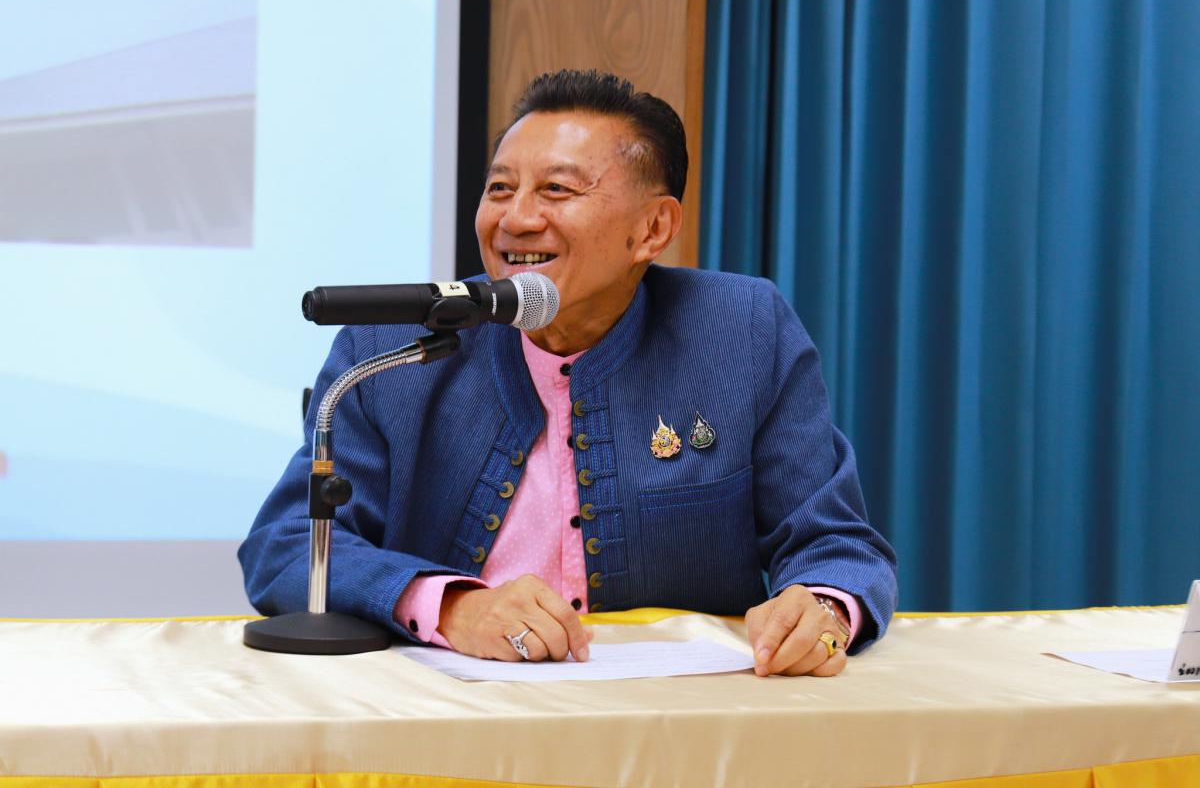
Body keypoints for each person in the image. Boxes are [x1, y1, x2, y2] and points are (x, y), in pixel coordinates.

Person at [240, 69, 897, 677]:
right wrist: (452, 606)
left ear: (653, 228)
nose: (516, 218)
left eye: (556, 189)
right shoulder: (394, 346)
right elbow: (286, 547)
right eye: (501, 188)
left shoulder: (741, 331)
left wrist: (823, 608)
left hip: (682, 719)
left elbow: (835, 542)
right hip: (451, 715)